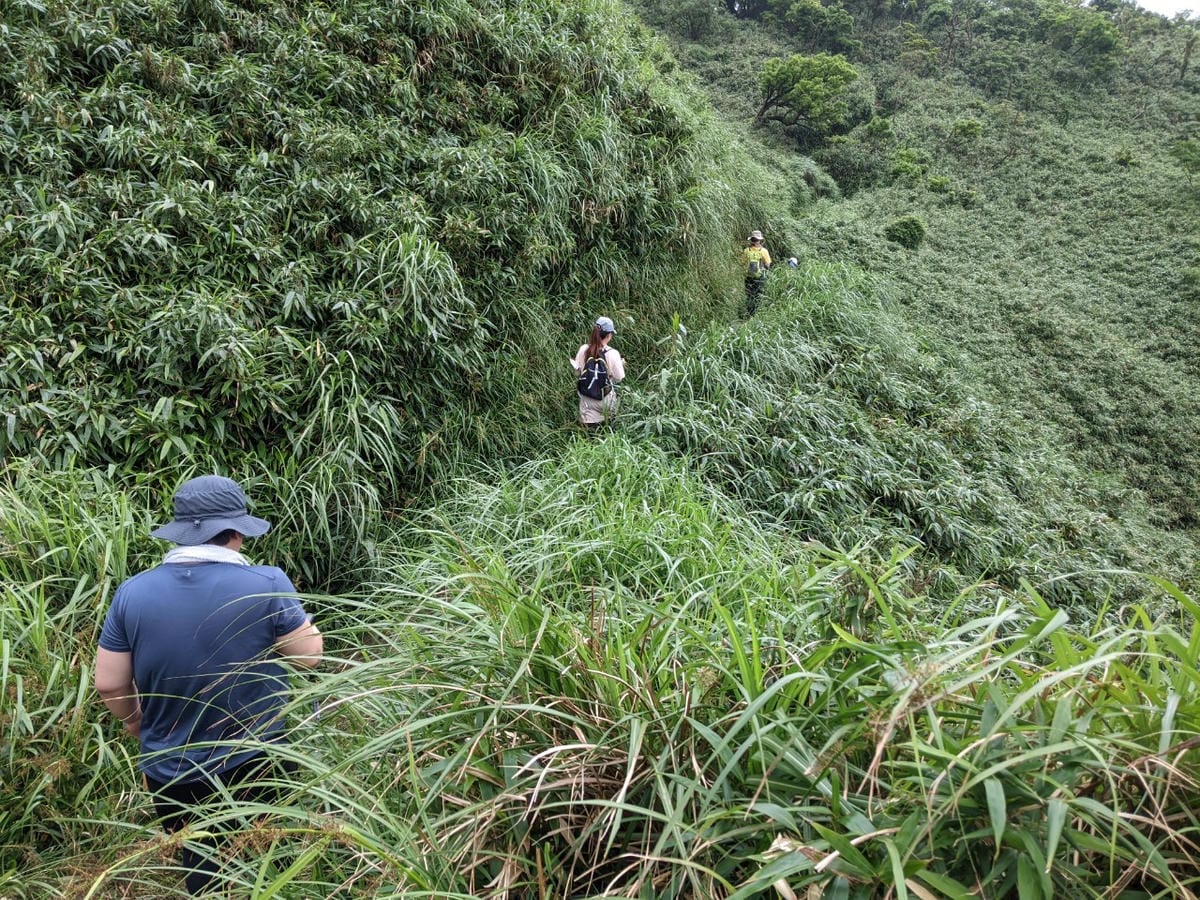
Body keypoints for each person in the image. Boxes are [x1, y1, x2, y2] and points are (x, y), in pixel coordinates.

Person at [95, 474, 323, 895]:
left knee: (203, 868)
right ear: (236, 532)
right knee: (274, 860)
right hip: (258, 757)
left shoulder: (131, 593)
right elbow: (307, 656)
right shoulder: (267, 582)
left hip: (169, 767)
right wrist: (305, 625)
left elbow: (109, 684)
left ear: (182, 531)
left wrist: (135, 722)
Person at [572, 315, 625, 436]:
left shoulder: (584, 349)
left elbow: (577, 373)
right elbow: (619, 378)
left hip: (587, 397)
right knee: (607, 430)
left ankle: (589, 442)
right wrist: (619, 365)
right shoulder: (613, 353)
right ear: (609, 335)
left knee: (588, 435)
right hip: (605, 399)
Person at [742, 230, 772, 315]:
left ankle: (749, 313)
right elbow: (768, 265)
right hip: (760, 277)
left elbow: (742, 263)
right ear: (760, 240)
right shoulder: (764, 251)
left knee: (749, 295)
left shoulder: (746, 250)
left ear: (751, 240)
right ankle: (757, 314)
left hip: (748, 277)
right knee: (759, 295)